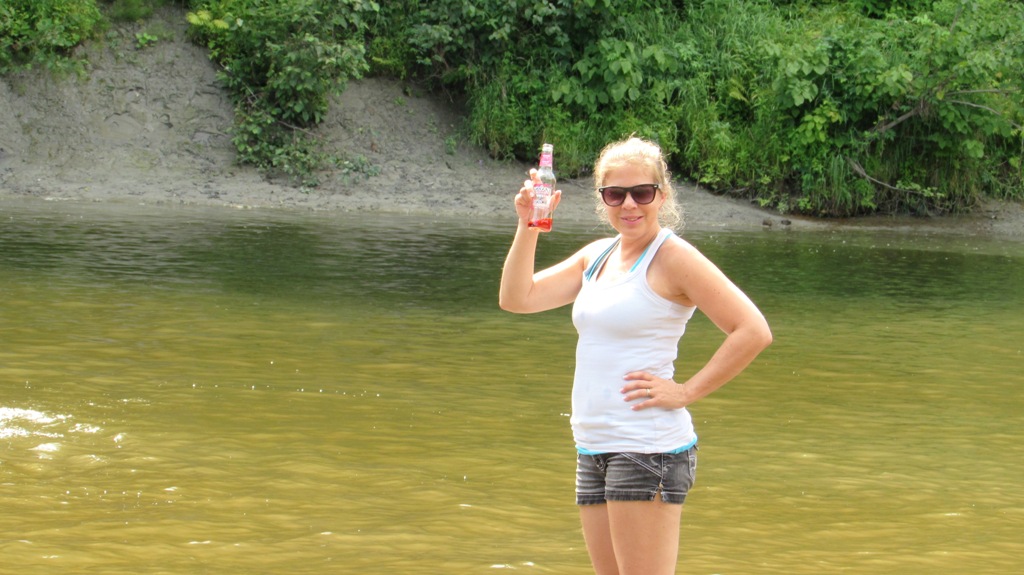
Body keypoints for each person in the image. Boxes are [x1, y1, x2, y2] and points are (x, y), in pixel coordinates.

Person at [498, 136, 773, 575]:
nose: (629, 204)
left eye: (642, 192)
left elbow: (753, 331)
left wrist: (685, 391)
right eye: (615, 194)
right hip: (593, 446)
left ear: (661, 195)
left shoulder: (673, 257)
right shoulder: (596, 256)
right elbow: (517, 298)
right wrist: (528, 224)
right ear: (602, 199)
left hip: (646, 448)